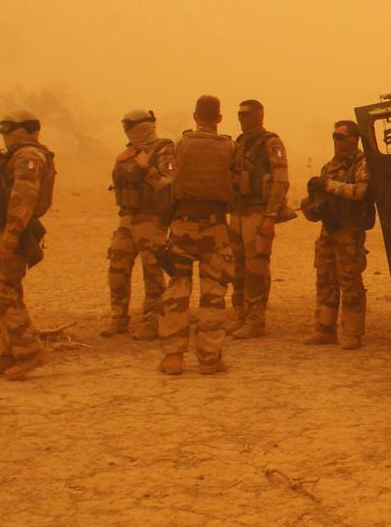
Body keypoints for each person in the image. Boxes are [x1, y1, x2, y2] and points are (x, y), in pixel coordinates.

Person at [0, 109, 57, 380]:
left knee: (2, 292)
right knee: (5, 290)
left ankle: (29, 351)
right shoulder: (17, 154)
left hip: (16, 231)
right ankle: (6, 353)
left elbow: (23, 199)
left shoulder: (27, 156)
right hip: (6, 229)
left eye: (4, 128)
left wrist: (9, 239)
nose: (3, 134)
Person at [153, 96, 234, 375]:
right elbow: (237, 182)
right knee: (213, 294)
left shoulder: (182, 144)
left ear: (195, 115)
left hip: (183, 226)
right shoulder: (229, 147)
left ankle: (174, 357)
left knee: (177, 290)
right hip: (215, 228)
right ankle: (210, 359)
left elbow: (170, 180)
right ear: (219, 118)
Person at [101, 108, 174, 340]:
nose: (126, 132)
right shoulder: (128, 153)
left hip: (151, 219)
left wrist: (146, 167)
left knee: (152, 270)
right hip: (128, 217)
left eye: (129, 127)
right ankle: (118, 317)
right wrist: (120, 163)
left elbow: (168, 186)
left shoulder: (164, 150)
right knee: (117, 266)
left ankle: (153, 321)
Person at [303, 120, 374, 349]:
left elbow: (360, 192)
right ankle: (325, 329)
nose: (336, 141)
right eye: (334, 136)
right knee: (325, 278)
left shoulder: (363, 164)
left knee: (349, 280)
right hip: (330, 228)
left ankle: (352, 333)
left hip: (349, 230)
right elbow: (322, 195)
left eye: (339, 136)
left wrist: (328, 186)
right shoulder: (330, 166)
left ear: (354, 138)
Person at [227, 99, 289, 338]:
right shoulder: (240, 142)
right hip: (239, 211)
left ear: (260, 115)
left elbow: (280, 180)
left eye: (247, 114)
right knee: (237, 267)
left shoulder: (271, 142)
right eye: (239, 114)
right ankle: (241, 314)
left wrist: (270, 216)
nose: (242, 119)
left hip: (258, 211)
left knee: (256, 266)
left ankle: (256, 320)